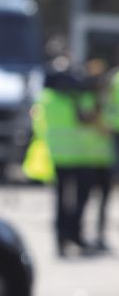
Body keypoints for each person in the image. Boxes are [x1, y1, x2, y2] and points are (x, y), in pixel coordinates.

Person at [34, 61, 113, 256]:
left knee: (62, 199)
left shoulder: (45, 99)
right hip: (80, 156)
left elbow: (38, 125)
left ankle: (62, 237)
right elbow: (90, 119)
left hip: (59, 156)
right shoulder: (78, 98)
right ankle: (74, 235)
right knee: (80, 199)